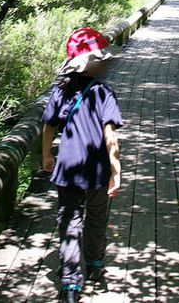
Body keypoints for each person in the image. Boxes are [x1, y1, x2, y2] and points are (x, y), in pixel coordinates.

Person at [42, 27, 123, 303]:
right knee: (97, 216)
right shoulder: (103, 92)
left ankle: (70, 283)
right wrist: (116, 168)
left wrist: (46, 156)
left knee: (70, 222)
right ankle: (96, 261)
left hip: (68, 169)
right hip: (97, 170)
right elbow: (109, 133)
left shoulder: (60, 91)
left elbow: (49, 127)